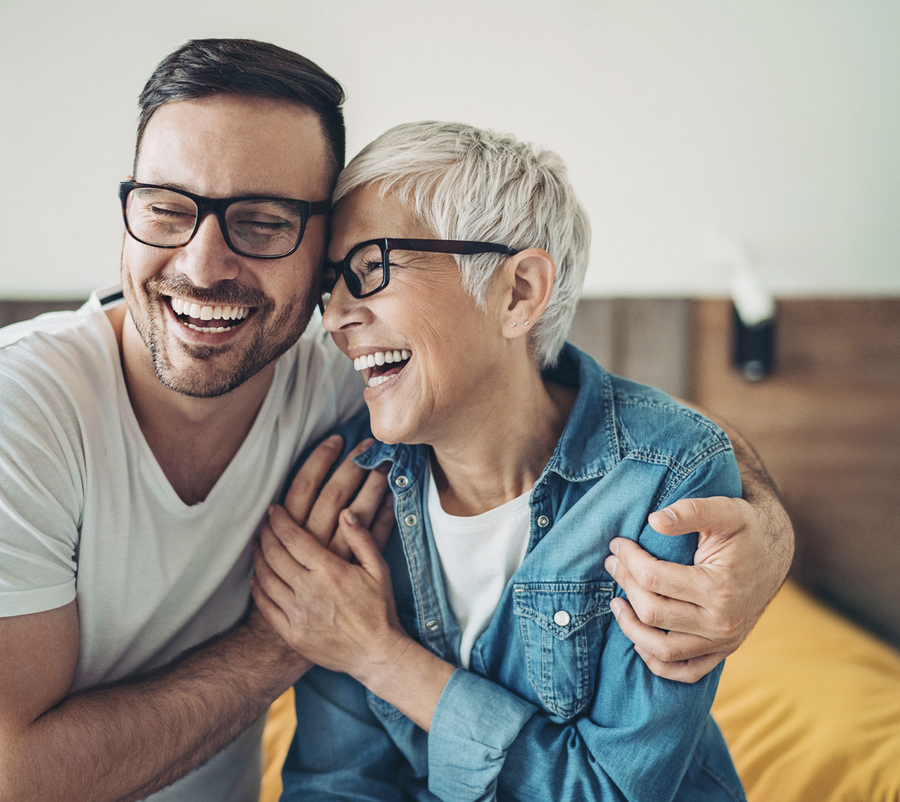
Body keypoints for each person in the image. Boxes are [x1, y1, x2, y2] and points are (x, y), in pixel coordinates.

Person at [0, 40, 788, 802]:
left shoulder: (363, 403)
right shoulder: (5, 411)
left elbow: (631, 437)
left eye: (262, 223)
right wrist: (295, 638)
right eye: (166, 211)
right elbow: (2, 784)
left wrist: (767, 533)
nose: (205, 265)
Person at [252, 122, 748, 800]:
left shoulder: (665, 480)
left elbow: (608, 791)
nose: (335, 315)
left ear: (518, 293)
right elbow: (340, 784)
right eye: (330, 284)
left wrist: (383, 658)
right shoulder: (350, 486)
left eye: (370, 269)